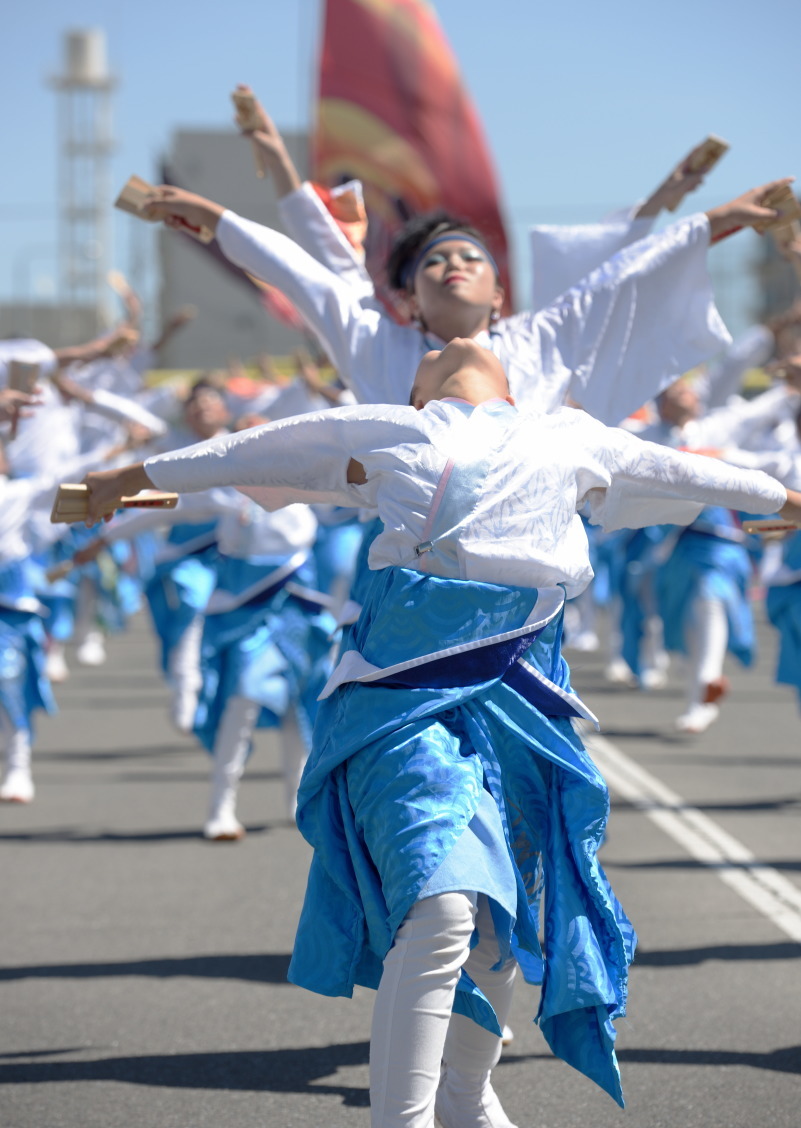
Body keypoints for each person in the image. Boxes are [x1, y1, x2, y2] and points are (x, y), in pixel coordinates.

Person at [80, 340, 799, 1127]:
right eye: (429, 347)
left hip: (521, 700)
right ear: (416, 386)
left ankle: (465, 1092)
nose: (452, 345)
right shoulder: (391, 426)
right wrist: (129, 479)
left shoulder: (569, 434)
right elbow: (249, 451)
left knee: (503, 918)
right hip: (402, 695)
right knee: (443, 902)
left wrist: (783, 502)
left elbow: (692, 474)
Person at [130, 172, 794, 428]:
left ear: (498, 294)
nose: (452, 264)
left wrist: (718, 221)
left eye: (469, 257)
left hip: (525, 593)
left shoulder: (541, 336)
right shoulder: (375, 341)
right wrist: (210, 216)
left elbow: (626, 273)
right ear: (409, 300)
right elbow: (299, 272)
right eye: (432, 261)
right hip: (413, 589)